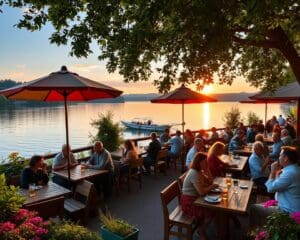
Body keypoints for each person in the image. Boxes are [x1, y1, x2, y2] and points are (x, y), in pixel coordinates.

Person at [250, 147, 300, 228]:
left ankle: (253, 234)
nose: (279, 158)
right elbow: (279, 185)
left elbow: (270, 189)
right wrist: (277, 174)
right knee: (261, 205)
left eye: (280, 155)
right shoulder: (295, 169)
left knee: (254, 208)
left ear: (286, 158)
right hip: (290, 205)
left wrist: (272, 172)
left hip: (287, 211)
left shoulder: (290, 173)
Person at [181, 152, 218, 239]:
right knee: (212, 212)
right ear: (199, 163)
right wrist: (212, 187)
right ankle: (201, 230)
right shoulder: (194, 173)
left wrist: (207, 169)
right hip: (189, 202)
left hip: (196, 199)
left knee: (214, 208)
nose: (206, 164)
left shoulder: (199, 171)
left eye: (206, 162)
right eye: (205, 163)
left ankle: (217, 229)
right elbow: (202, 192)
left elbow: (210, 181)